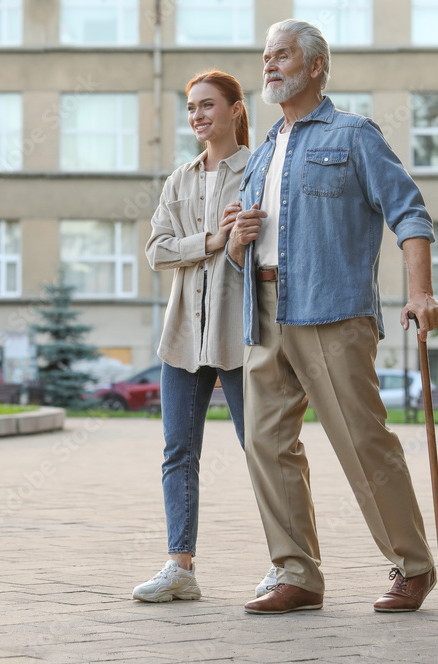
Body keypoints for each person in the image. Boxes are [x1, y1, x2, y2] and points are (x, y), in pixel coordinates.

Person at [227, 19, 438, 615]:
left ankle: (414, 566)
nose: (269, 64)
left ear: (316, 65)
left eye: (282, 55)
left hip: (331, 311)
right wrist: (235, 238)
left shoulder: (353, 135)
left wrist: (419, 292)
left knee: (361, 443)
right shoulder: (265, 149)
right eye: (266, 56)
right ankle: (296, 572)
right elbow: (239, 241)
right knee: (265, 443)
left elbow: (409, 212)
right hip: (264, 312)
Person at [133, 69, 276, 603]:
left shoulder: (260, 170)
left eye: (207, 105)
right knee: (178, 452)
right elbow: (156, 251)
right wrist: (214, 239)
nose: (197, 115)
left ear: (236, 109)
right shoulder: (181, 179)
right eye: (191, 107)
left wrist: (238, 243)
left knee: (261, 447)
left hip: (241, 332)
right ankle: (180, 567)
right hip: (182, 336)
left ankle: (286, 563)